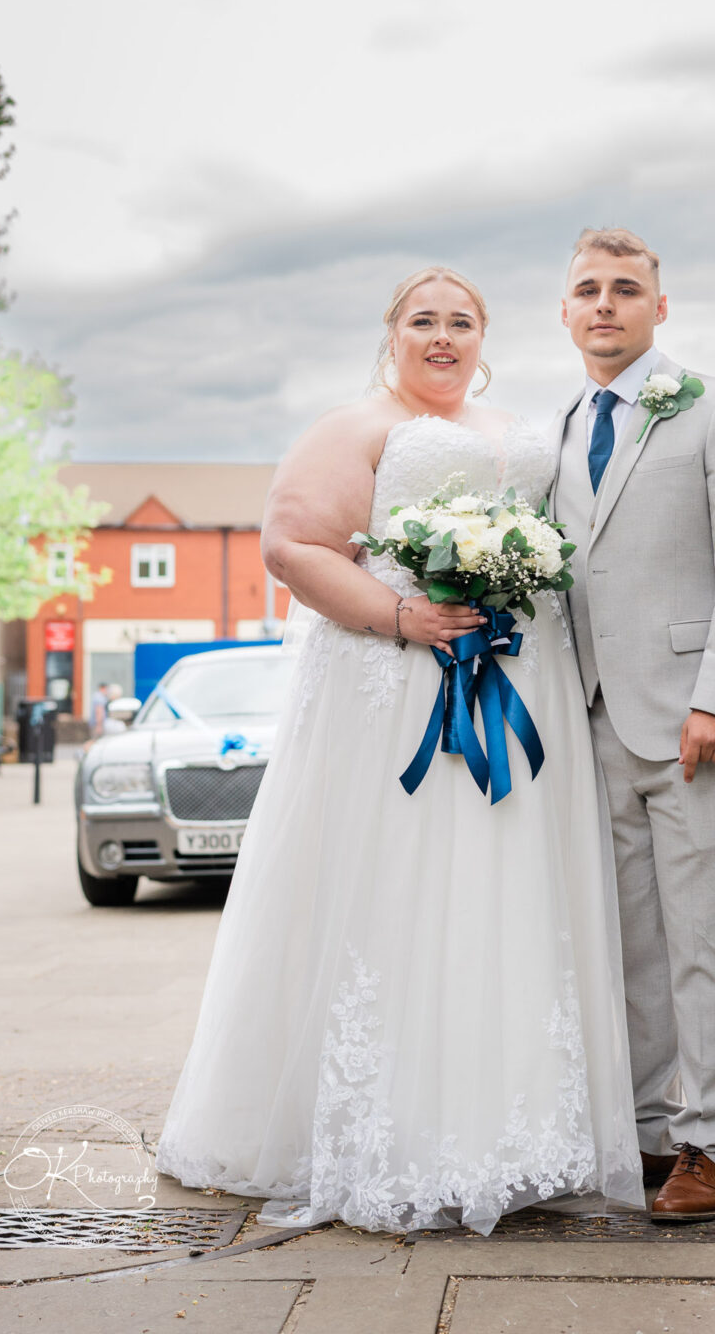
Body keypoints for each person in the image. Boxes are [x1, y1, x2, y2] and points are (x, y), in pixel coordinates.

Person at [154, 266, 644, 1235]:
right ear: (392, 333)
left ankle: (515, 1129)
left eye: (461, 322)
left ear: (485, 336)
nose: (443, 337)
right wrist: (403, 617)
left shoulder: (516, 426)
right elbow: (292, 546)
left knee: (509, 896)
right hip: (400, 691)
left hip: (518, 691)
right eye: (424, 320)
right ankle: (397, 1132)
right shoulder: (356, 426)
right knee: (407, 897)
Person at [550, 227, 715, 1223]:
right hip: (597, 723)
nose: (606, 304)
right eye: (588, 290)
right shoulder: (559, 427)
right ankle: (649, 1135)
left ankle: (711, 1145)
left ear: (659, 307)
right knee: (631, 945)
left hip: (700, 727)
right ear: (565, 312)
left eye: (626, 289)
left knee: (704, 944)